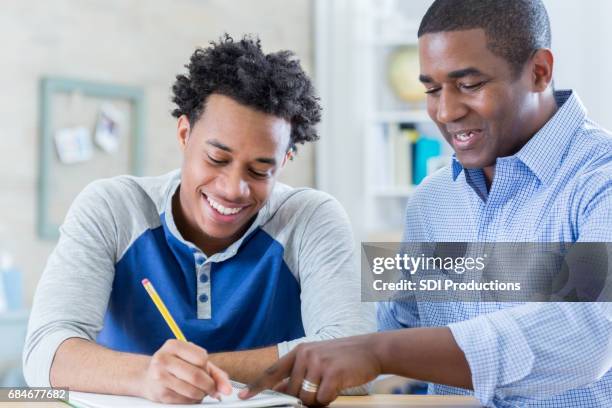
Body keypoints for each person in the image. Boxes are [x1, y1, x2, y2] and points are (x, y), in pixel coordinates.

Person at [241, 1, 612, 406]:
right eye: (432, 90)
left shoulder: (600, 180)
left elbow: (584, 333)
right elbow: (384, 327)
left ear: (539, 71)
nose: (446, 111)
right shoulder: (433, 201)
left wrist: (379, 353)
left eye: (469, 85)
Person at [23, 34, 374, 404]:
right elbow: (44, 352)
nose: (233, 189)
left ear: (283, 162)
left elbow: (355, 357)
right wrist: (147, 376)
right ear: (184, 133)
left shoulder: (312, 218)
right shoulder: (111, 208)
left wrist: (198, 371)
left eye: (259, 170)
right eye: (217, 159)